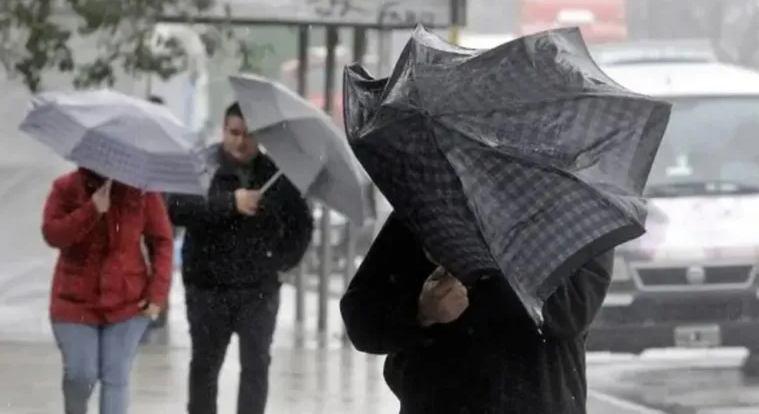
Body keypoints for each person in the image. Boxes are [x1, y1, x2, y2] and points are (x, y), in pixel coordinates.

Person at [340, 212, 613, 414]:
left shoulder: (578, 214)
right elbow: (361, 316)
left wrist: (476, 273)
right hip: (440, 402)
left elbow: (570, 310)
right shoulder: (430, 207)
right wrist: (420, 311)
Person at [166, 102, 313, 414]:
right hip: (207, 288)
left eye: (249, 134)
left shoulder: (275, 173)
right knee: (205, 366)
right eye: (234, 132)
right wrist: (230, 203)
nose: (240, 141)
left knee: (256, 367)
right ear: (223, 131)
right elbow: (177, 208)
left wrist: (280, 262)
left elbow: (301, 224)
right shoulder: (202, 167)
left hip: (258, 290)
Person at [41, 168, 173, 414]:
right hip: (74, 301)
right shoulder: (65, 188)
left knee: (116, 375)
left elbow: (162, 240)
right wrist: (91, 210)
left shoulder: (143, 191)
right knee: (81, 374)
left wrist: (158, 293)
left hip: (128, 302)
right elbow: (52, 234)